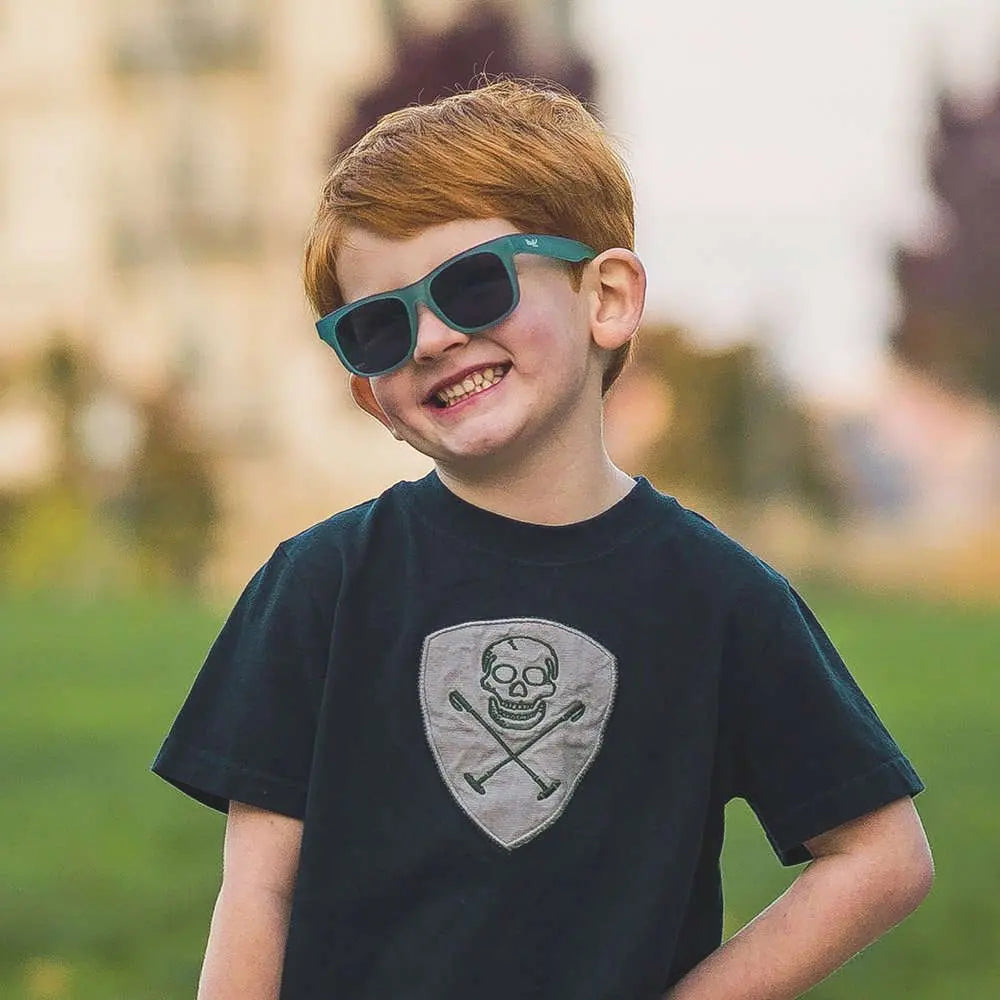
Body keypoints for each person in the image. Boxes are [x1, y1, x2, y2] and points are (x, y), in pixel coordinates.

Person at [152, 79, 933, 1000]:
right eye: (379, 325)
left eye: (473, 285)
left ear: (607, 298)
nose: (431, 339)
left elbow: (882, 856)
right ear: (369, 395)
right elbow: (258, 891)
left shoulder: (718, 598)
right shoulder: (320, 583)